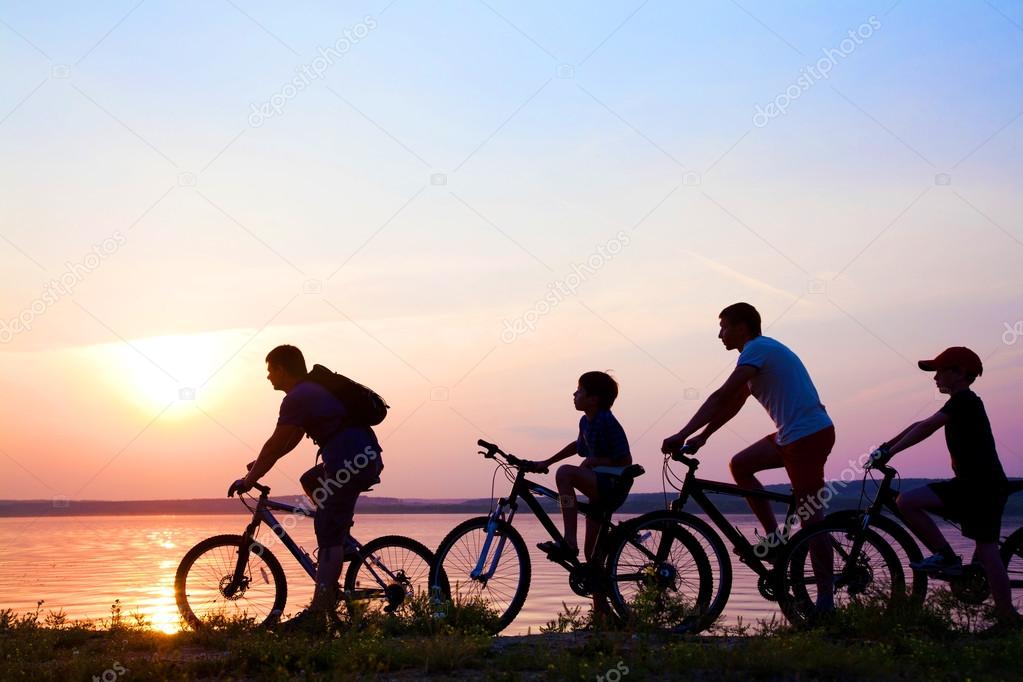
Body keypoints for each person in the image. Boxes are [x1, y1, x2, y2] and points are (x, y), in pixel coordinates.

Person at [661, 302, 836, 612]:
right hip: (791, 435)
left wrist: (682, 433)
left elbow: (721, 396)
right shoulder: (757, 354)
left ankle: (825, 601)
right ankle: (774, 539)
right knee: (740, 464)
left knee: (812, 521)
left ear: (741, 328)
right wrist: (704, 436)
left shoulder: (756, 349)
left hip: (807, 436)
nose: (719, 335)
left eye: (723, 327)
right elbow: (734, 403)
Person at [228, 344, 384, 631]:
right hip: (359, 457)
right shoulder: (307, 392)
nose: (268, 377)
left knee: (327, 536)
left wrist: (249, 480)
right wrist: (260, 462)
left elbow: (276, 443)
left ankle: (317, 616)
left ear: (282, 370)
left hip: (349, 463)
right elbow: (290, 439)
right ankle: (342, 540)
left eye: (270, 370)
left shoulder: (299, 396)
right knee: (310, 480)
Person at [875, 346, 1018, 626]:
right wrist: (885, 447)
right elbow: (921, 423)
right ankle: (998, 608)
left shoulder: (965, 401)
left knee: (908, 502)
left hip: (980, 487)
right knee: (986, 553)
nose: (935, 377)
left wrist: (890, 454)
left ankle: (1003, 613)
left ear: (961, 373)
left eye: (940, 371)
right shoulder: (959, 403)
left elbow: (926, 428)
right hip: (975, 485)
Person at [523, 371, 633, 617]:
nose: (574, 394)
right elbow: (578, 446)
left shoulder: (606, 420)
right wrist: (547, 461)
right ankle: (602, 613)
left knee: (565, 474)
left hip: (613, 484)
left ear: (593, 399)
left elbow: (625, 459)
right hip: (599, 486)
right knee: (592, 555)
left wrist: (594, 460)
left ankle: (568, 539)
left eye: (580, 391)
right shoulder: (586, 422)